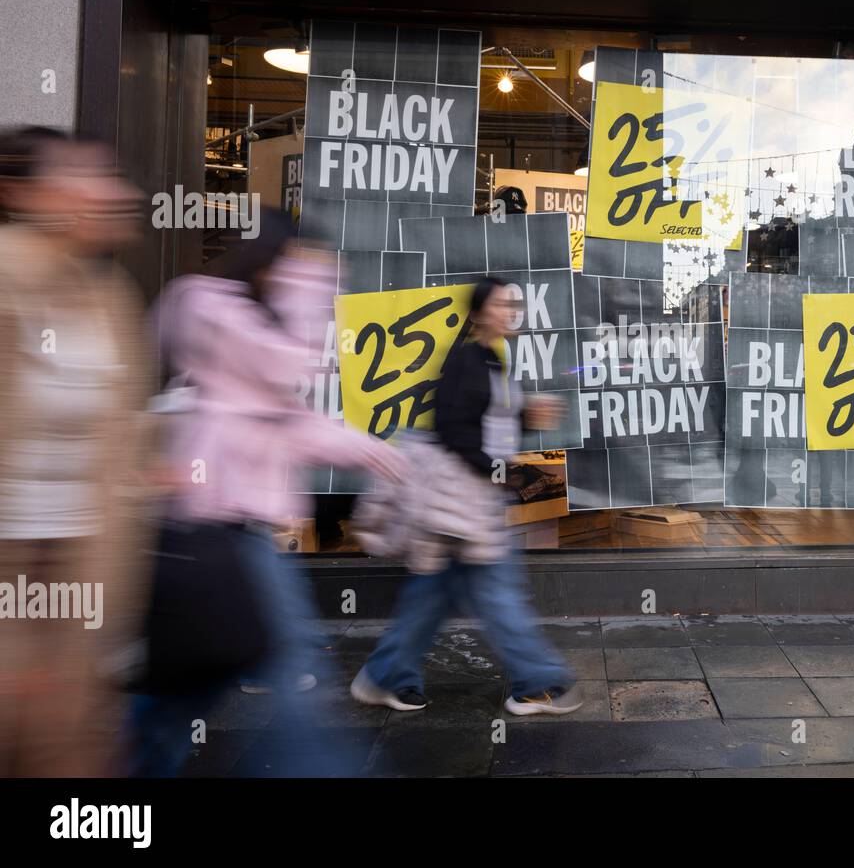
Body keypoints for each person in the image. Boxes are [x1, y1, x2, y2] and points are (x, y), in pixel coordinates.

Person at [127, 210, 405, 777]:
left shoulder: (251, 329)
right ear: (271, 258)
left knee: (188, 685)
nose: (312, 274)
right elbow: (287, 367)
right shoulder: (210, 306)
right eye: (298, 260)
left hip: (237, 531)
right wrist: (309, 287)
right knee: (283, 671)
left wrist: (373, 451)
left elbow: (290, 420)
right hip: (212, 526)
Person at [351, 277, 582, 716]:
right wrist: (502, 470)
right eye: (499, 304)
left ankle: (385, 676)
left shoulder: (493, 360)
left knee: (432, 595)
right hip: (462, 503)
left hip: (465, 504)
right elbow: (453, 431)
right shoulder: (468, 360)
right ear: (478, 314)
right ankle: (538, 682)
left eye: (512, 303)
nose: (508, 310)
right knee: (497, 593)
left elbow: (484, 423)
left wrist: (526, 415)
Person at [0, 127, 155, 776]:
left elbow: (120, 446)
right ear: (24, 192)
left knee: (71, 753)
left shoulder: (110, 299)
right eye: (88, 175)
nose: (116, 193)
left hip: (77, 582)